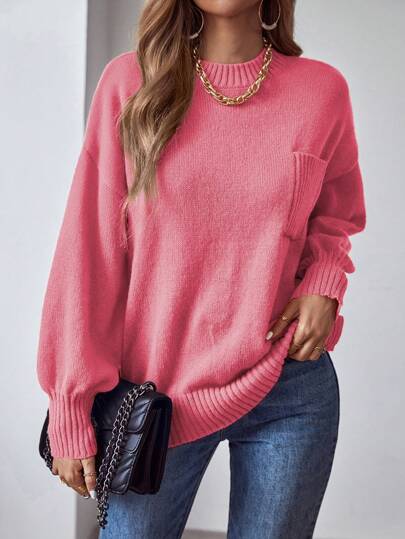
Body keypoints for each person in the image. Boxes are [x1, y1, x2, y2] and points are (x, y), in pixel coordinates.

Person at [36, 0, 367, 537]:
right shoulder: (132, 84)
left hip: (289, 386)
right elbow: (88, 252)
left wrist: (324, 282)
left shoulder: (321, 91)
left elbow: (334, 216)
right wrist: (70, 400)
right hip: (157, 400)